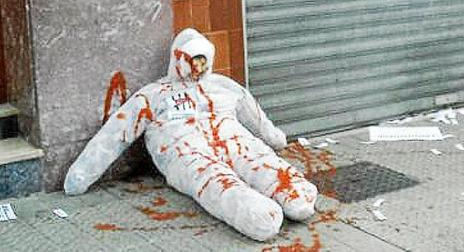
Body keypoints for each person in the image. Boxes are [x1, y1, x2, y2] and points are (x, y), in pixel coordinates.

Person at [64, 28, 318, 241]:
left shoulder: (223, 86)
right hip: (184, 149)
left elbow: (255, 116)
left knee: (257, 158)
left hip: (233, 138)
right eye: (193, 60)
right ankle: (254, 213)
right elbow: (114, 134)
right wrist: (80, 176)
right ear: (179, 60)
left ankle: (294, 193)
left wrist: (274, 138)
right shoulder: (154, 95)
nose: (198, 67)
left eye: (202, 61)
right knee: (212, 179)